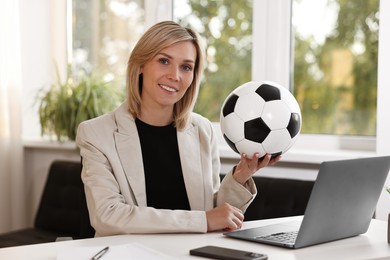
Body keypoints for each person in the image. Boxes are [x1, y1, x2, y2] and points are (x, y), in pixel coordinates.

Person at [76, 21, 280, 237]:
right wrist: (203, 220)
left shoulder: (202, 130)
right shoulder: (95, 134)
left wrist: (240, 176)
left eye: (186, 67)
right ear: (141, 65)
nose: (175, 75)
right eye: (164, 61)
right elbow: (108, 217)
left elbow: (214, 213)